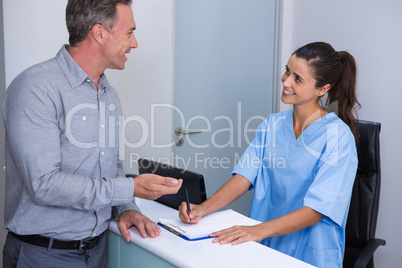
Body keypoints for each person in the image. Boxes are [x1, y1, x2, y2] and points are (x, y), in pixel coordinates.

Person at [1, 0, 183, 267]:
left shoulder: (108, 94)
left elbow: (112, 165)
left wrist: (127, 207)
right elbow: (44, 184)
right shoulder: (35, 88)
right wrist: (131, 188)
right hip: (44, 255)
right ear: (99, 33)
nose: (135, 44)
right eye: (129, 32)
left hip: (97, 251)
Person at [179, 42, 359, 268]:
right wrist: (202, 209)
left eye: (298, 79)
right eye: (287, 71)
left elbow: (317, 210)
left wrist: (258, 230)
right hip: (263, 245)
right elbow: (243, 178)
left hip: (308, 253)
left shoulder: (338, 137)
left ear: (322, 89)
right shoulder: (272, 124)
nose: (285, 81)